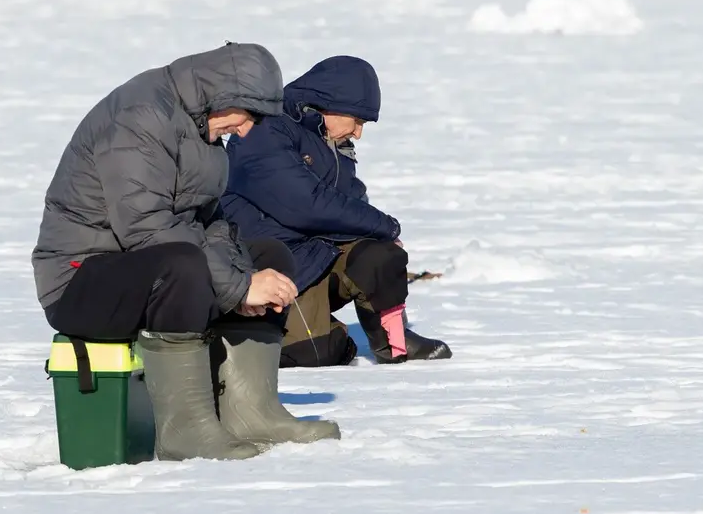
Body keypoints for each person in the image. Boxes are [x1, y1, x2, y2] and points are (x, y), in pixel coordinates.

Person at [31, 42, 340, 463]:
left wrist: (244, 280)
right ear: (225, 94)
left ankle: (251, 413)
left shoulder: (201, 127)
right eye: (248, 116)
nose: (245, 131)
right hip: (80, 281)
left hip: (149, 266)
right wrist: (238, 287)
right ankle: (184, 431)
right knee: (182, 264)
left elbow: (210, 223)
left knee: (270, 257)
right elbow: (146, 228)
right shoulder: (139, 117)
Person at [220, 55, 453, 368]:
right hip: (274, 272)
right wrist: (387, 226)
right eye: (358, 121)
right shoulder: (265, 131)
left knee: (380, 254)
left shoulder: (329, 139)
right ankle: (269, 335)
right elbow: (306, 206)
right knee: (319, 352)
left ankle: (396, 342)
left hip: (317, 254)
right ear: (330, 105)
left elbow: (351, 201)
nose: (358, 133)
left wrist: (382, 235)